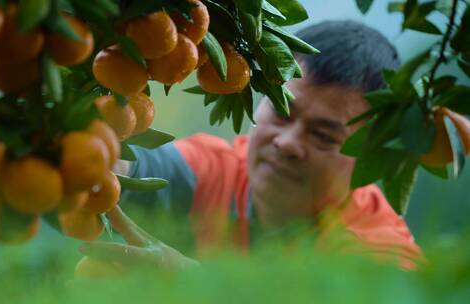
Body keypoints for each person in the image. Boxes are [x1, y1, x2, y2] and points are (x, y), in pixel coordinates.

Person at [79, 20, 423, 272]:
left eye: (323, 136)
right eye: (282, 110)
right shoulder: (222, 170)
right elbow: (141, 166)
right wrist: (101, 155)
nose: (288, 143)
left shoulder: (381, 255)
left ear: (369, 158)